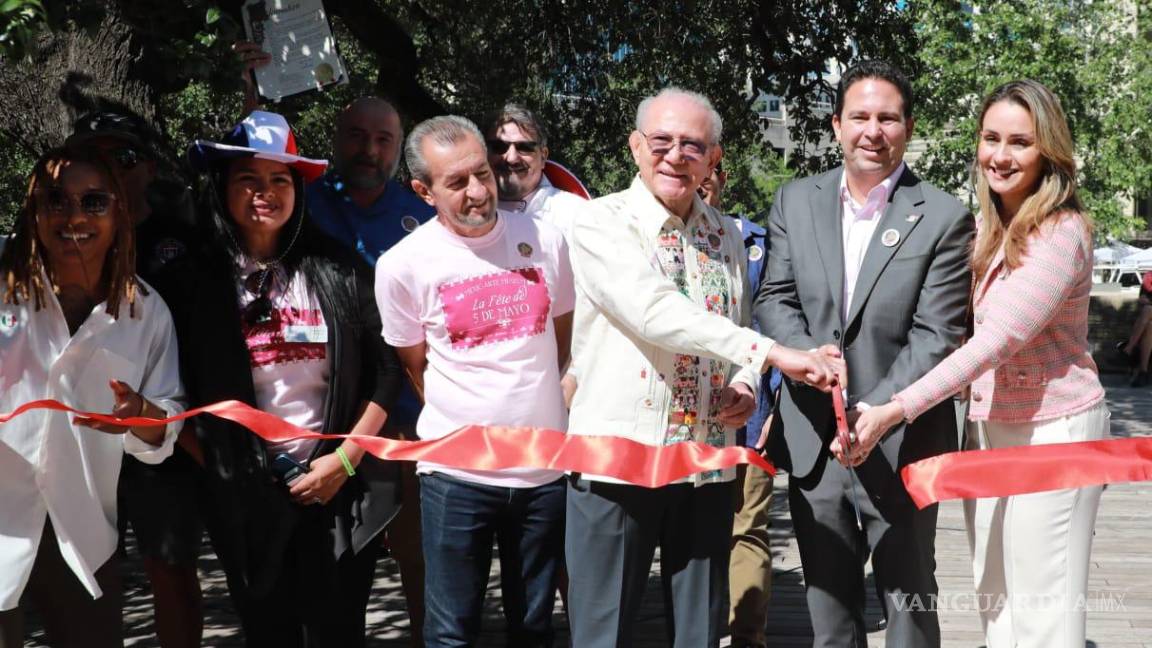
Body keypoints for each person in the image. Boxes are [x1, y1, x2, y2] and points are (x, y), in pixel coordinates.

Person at [563, 87, 838, 648]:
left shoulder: (726, 235)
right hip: (620, 459)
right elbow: (653, 312)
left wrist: (743, 381)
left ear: (713, 158)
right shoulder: (599, 222)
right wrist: (773, 357)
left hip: (706, 462)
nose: (675, 155)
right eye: (661, 141)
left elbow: (740, 325)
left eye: (693, 145)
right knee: (603, 630)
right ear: (635, 147)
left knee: (700, 630)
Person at [851, 79, 1108, 648]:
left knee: (1044, 605)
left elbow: (997, 339)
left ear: (1049, 151)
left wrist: (897, 407)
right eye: (991, 138)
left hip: (1056, 432)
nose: (1001, 155)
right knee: (995, 595)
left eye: (1020, 141)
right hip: (991, 429)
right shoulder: (991, 231)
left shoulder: (1062, 232)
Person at [159, 110, 403, 647]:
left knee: (338, 632)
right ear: (223, 188)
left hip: (337, 489)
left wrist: (343, 462)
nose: (263, 192)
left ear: (298, 189)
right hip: (246, 500)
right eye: (247, 179)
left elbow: (387, 374)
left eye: (278, 180)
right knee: (268, 632)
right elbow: (174, 395)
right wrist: (232, 474)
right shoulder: (194, 285)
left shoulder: (338, 270)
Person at [755, 60, 975, 647]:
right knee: (828, 607)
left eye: (887, 117)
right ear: (836, 125)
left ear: (907, 127)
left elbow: (937, 334)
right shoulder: (794, 202)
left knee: (910, 604)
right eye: (859, 116)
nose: (871, 131)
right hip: (813, 437)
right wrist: (807, 358)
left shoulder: (945, 217)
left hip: (902, 437)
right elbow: (773, 298)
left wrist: (873, 412)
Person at [375, 115, 574, 647]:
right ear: (423, 190)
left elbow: (561, 340)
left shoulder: (547, 240)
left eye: (481, 173)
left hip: (541, 472)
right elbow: (415, 365)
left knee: (533, 627)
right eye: (457, 182)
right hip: (455, 476)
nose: (479, 191)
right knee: (450, 631)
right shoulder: (401, 267)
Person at [0, 147, 185, 647]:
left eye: (93, 201)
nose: (74, 216)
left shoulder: (146, 313)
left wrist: (141, 415)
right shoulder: (2, 290)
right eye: (56, 200)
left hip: (82, 535)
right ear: (34, 212)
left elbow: (162, 432)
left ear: (118, 213)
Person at [66, 109, 205, 648]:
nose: (110, 170)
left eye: (122, 157)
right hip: (80, 432)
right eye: (94, 157)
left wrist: (193, 437)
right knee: (87, 573)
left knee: (169, 567)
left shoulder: (184, 240)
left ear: (147, 165)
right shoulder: (60, 238)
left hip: (161, 429)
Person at [305, 95, 433, 645]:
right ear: (336, 138)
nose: (369, 149)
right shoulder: (303, 202)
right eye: (357, 135)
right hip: (327, 422)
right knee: (334, 573)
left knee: (424, 564)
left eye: (383, 140)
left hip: (408, 420)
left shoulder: (423, 217)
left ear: (398, 149)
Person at [698, 163, 780, 648]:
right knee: (689, 534)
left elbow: (774, 326)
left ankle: (748, 637)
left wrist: (772, 406)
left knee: (747, 528)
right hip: (677, 423)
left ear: (724, 177)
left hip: (750, 418)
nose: (700, 177)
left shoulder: (757, 245)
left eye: (711, 169)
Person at [486, 103, 587, 238]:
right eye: (499, 146)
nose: (511, 158)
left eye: (524, 147)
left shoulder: (576, 216)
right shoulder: (465, 212)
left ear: (543, 156)